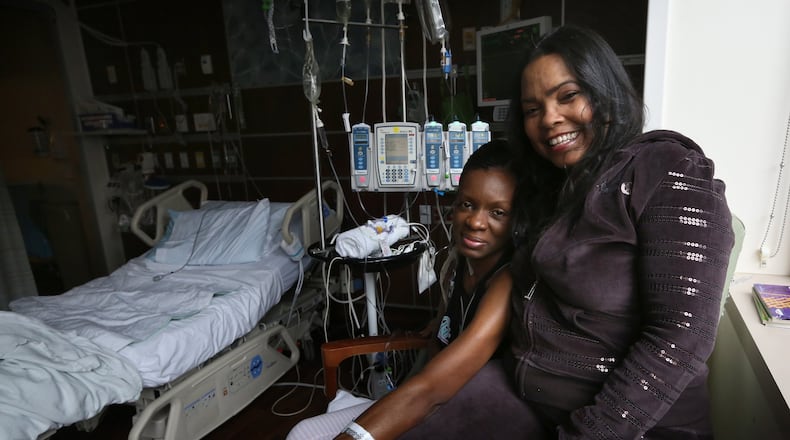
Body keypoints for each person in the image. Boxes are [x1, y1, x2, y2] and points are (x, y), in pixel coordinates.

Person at [497, 25, 734, 439]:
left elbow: (681, 337)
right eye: (532, 109)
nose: (550, 118)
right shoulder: (557, 189)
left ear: (604, 91)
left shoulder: (668, 171)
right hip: (525, 399)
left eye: (568, 96)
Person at [287, 139, 531, 440]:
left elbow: (431, 389)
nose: (476, 222)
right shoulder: (457, 264)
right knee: (302, 433)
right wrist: (436, 327)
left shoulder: (504, 284)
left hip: (462, 416)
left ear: (518, 220)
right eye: (468, 204)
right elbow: (443, 329)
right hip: (421, 404)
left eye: (498, 212)